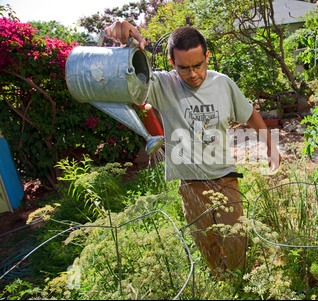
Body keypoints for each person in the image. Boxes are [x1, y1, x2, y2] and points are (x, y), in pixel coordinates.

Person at [105, 21, 281, 271]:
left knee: (235, 239)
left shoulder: (223, 84)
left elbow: (250, 114)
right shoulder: (162, 85)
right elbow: (128, 78)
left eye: (198, 65)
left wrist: (271, 147)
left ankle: (240, 282)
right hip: (189, 184)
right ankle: (219, 281)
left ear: (207, 57)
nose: (193, 74)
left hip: (224, 177)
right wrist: (118, 37)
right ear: (171, 62)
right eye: (184, 68)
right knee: (205, 241)